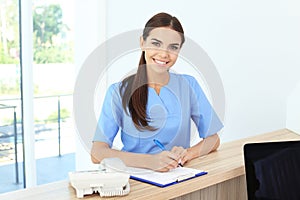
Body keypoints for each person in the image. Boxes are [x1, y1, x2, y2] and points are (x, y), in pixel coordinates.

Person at [91, 12, 223, 172]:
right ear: (142, 42)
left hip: (178, 177)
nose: (164, 54)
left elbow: (213, 139)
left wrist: (187, 154)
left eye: (173, 47)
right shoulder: (118, 92)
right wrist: (150, 161)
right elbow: (97, 152)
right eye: (156, 44)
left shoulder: (189, 85)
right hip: (135, 183)